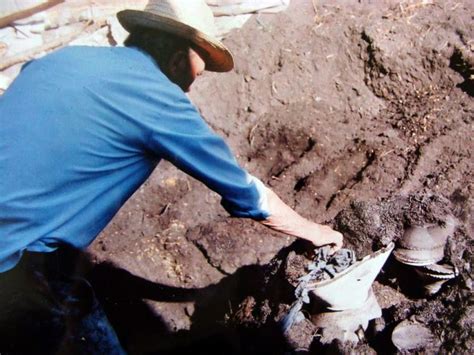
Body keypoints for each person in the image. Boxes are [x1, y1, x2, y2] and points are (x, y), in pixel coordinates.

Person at [0, 0, 343, 353]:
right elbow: (246, 193)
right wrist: (316, 232)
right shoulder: (156, 97)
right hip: (14, 263)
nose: (192, 86)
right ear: (179, 58)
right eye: (198, 70)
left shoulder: (61, 60)